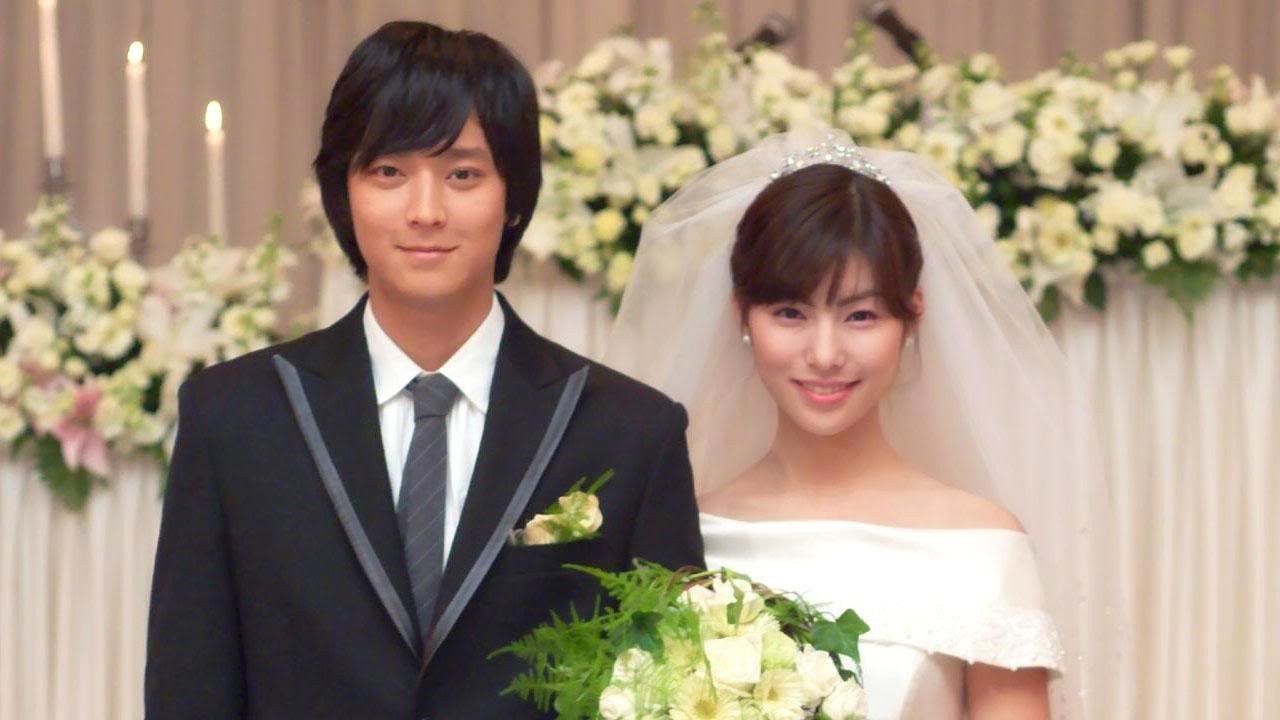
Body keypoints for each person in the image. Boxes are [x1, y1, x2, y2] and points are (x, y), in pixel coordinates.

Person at [145, 21, 703, 719]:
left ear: (514, 197)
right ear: (343, 191)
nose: (426, 211)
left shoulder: (631, 432)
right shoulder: (234, 416)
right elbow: (190, 685)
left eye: (463, 174)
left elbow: (669, 689)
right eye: (389, 172)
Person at [605, 128, 1125, 718]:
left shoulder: (982, 548)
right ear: (742, 316)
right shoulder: (683, 536)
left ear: (911, 319)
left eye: (860, 315)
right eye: (790, 313)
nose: (825, 354)